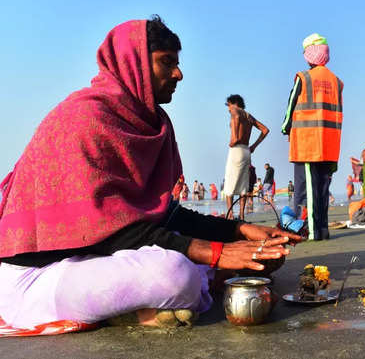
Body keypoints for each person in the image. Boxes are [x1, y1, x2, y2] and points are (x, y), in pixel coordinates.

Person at [0, 17, 301, 330]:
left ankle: (149, 299)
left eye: (177, 63)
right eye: (166, 62)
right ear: (135, 64)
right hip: (40, 276)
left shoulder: (149, 122)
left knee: (217, 263)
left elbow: (164, 216)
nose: (179, 74)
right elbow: (106, 230)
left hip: (101, 259)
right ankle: (168, 292)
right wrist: (215, 253)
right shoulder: (84, 120)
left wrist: (238, 230)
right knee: (175, 275)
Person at [281, 33, 343, 240]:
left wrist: (285, 128)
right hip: (330, 142)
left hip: (308, 142)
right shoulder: (336, 82)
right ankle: (323, 229)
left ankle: (310, 231)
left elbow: (291, 106)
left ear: (309, 55)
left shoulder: (304, 77)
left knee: (305, 188)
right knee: (323, 188)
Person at [224, 94, 269, 220]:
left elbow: (236, 117)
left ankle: (231, 215)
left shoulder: (235, 110)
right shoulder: (249, 116)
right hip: (246, 150)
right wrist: (254, 146)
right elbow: (265, 130)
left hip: (236, 149)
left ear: (233, 103)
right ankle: (242, 215)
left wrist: (234, 138)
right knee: (243, 186)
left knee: (229, 184)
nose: (228, 109)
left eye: (228, 105)